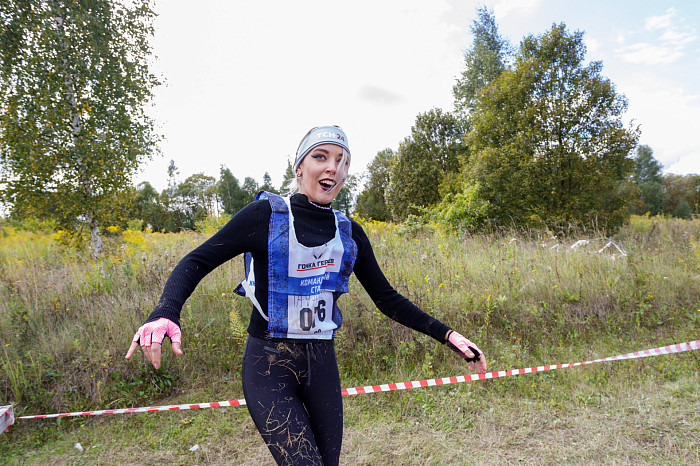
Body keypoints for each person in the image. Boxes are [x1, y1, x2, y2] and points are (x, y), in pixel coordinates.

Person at [125, 125, 487, 465]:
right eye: (321, 156)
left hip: (321, 363)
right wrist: (165, 311)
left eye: (342, 161)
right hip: (268, 365)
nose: (333, 167)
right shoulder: (265, 216)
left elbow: (387, 298)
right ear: (299, 166)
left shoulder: (350, 233)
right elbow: (197, 260)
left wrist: (448, 335)